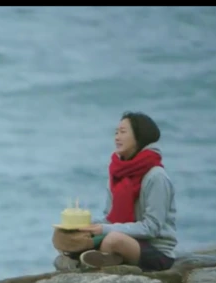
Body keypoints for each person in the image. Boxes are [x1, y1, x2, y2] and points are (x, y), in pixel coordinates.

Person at [75, 111, 177, 272]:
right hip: (122, 237)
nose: (117, 137)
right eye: (116, 133)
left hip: (155, 251)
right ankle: (100, 260)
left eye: (123, 132)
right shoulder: (117, 173)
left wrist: (104, 229)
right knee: (66, 236)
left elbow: (151, 228)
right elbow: (110, 218)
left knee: (113, 240)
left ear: (139, 137)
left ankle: (87, 263)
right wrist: (85, 224)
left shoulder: (156, 176)